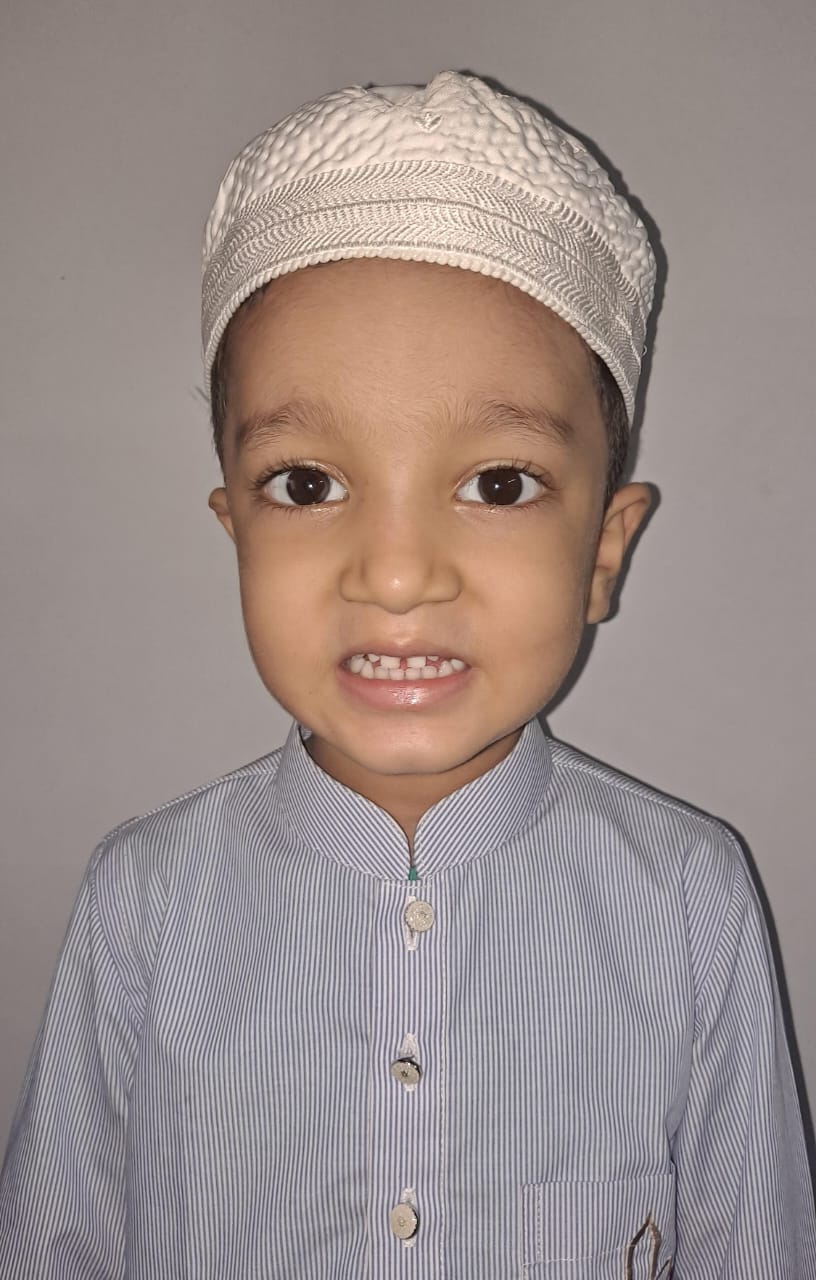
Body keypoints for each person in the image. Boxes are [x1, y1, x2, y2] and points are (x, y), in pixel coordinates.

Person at [1, 70, 814, 1279]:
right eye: (307, 484)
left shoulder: (689, 897)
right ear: (234, 528)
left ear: (603, 550)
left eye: (497, 483)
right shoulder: (145, 900)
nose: (393, 573)